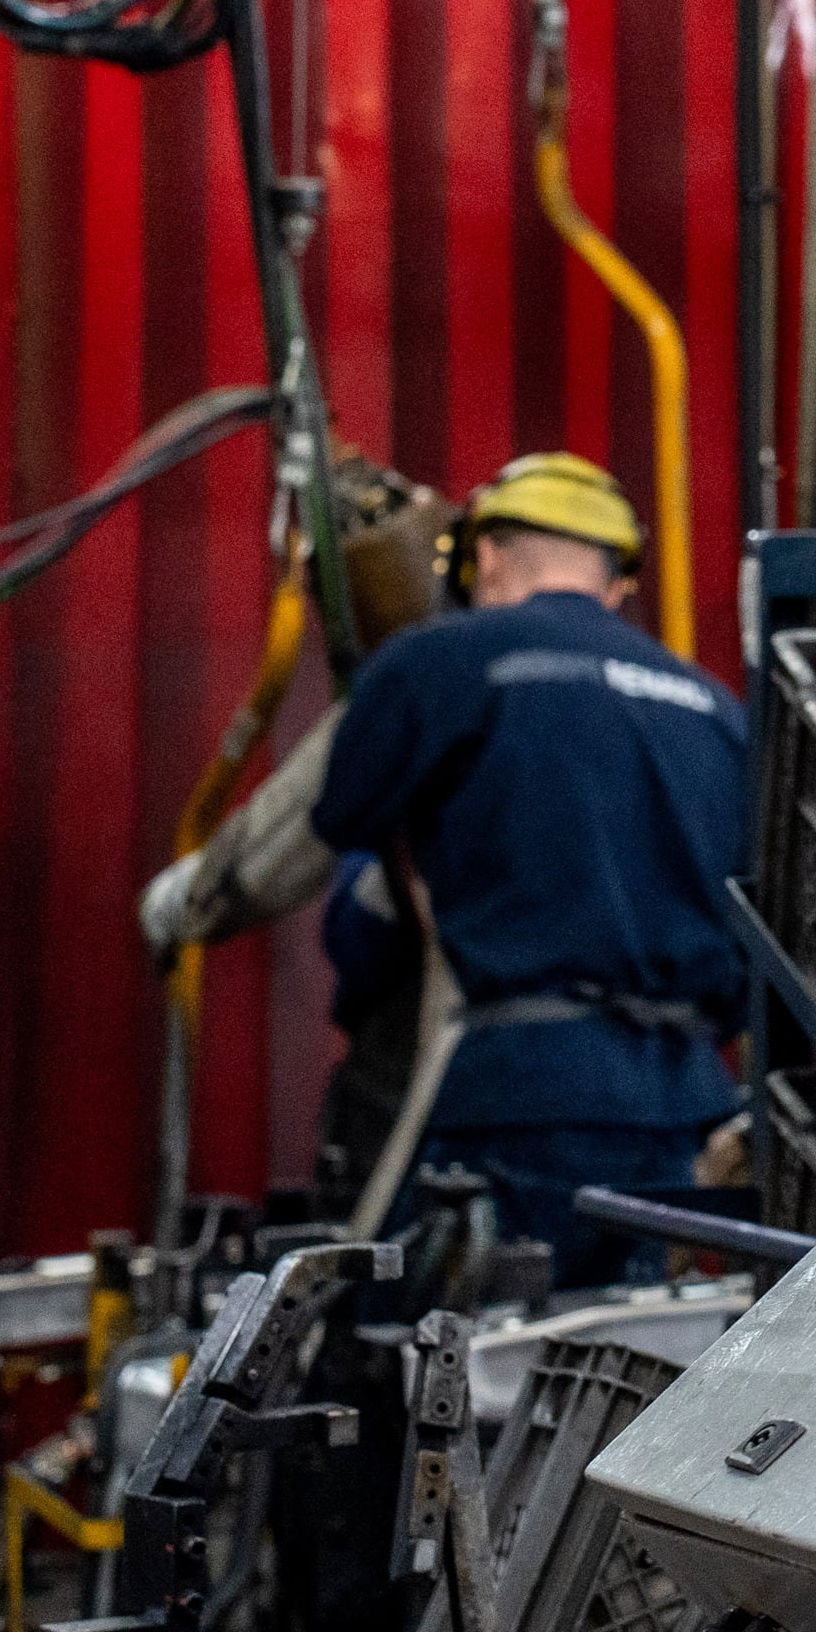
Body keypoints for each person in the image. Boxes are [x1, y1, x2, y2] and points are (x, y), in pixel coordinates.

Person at [142, 453, 750, 1285]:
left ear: (487, 555)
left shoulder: (442, 665)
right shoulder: (715, 710)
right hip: (693, 1114)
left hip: (518, 1104)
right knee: (651, 1374)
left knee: (451, 1370)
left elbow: (294, 841)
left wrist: (181, 904)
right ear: (616, 585)